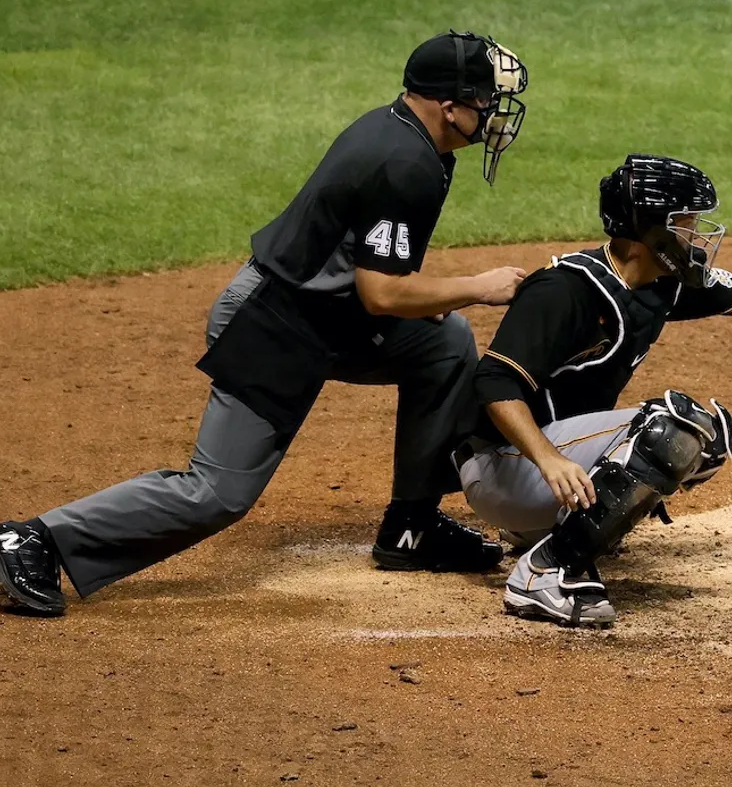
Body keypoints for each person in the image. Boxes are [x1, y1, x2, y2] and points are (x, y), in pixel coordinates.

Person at [1, 31, 532, 617]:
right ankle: (34, 539)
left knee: (443, 341)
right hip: (275, 324)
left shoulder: (414, 140)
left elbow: (373, 267)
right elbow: (382, 292)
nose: (492, 113)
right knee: (217, 494)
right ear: (446, 104)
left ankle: (412, 526)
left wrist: (429, 300)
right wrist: (476, 287)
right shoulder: (405, 161)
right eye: (483, 99)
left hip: (332, 314)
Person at [456, 154, 732, 627]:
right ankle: (545, 572)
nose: (696, 235)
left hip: (549, 473)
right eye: (685, 222)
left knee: (707, 441)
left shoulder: (662, 284)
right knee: (673, 428)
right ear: (647, 227)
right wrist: (549, 460)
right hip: (501, 468)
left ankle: (552, 532)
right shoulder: (564, 291)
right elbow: (494, 383)